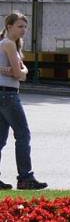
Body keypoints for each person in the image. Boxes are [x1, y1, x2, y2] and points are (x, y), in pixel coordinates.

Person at [0, 12, 47, 190]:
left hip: (4, 93)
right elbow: (19, 74)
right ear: (9, 26)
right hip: (8, 95)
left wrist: (15, 71)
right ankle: (25, 177)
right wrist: (21, 71)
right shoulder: (9, 44)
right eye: (20, 26)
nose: (24, 30)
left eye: (25, 26)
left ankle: (24, 177)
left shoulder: (8, 44)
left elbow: (18, 73)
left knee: (1, 139)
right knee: (23, 135)